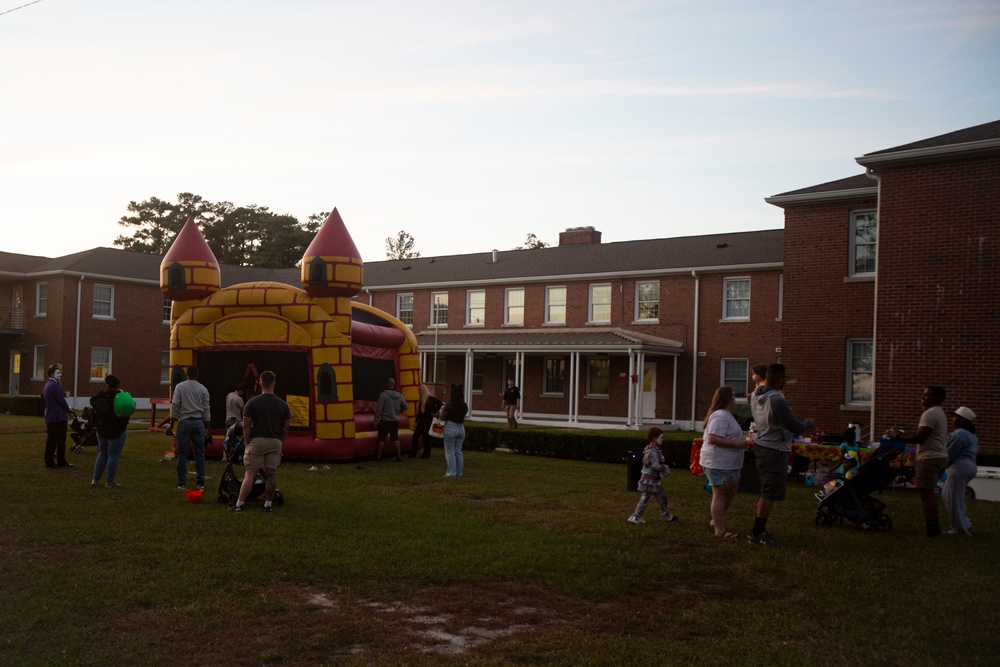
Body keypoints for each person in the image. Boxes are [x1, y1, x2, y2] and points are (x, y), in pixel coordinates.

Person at [748, 363, 814, 546]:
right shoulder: (777, 400)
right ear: (778, 379)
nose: (785, 382)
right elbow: (795, 427)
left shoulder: (755, 396)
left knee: (767, 490)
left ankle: (758, 529)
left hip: (762, 445)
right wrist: (808, 423)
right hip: (774, 449)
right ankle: (757, 532)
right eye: (784, 379)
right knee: (769, 492)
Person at [887, 386, 949, 537]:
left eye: (926, 395)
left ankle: (932, 531)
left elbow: (920, 437)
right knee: (929, 493)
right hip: (939, 456)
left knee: (926, 494)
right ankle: (934, 529)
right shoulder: (939, 413)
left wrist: (897, 437)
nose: (922, 397)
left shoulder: (930, 414)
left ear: (936, 399)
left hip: (929, 458)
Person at [230, 370, 291, 513]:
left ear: (261, 383)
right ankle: (268, 505)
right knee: (271, 475)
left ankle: (239, 504)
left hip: (257, 441)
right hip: (275, 441)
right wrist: (280, 441)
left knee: (250, 474)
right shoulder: (283, 405)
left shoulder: (252, 402)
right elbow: (286, 427)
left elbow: (245, 426)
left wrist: (248, 442)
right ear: (274, 384)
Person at [700, 387, 748, 538]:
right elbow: (712, 438)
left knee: (731, 491)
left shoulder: (727, 415)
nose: (735, 398)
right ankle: (719, 530)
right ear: (728, 398)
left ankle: (716, 519)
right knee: (720, 494)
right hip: (717, 462)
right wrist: (736, 444)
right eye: (733, 395)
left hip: (730, 462)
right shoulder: (719, 416)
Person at [171, 365, 211, 491]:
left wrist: (171, 423)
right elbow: (206, 410)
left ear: (186, 374)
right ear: (197, 374)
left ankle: (181, 483)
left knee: (182, 453)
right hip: (199, 422)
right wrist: (208, 428)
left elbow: (175, 405)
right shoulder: (203, 389)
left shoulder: (180, 387)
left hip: (184, 421)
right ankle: (200, 482)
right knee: (200, 453)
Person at [627, 427, 678, 524]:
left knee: (662, 496)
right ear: (654, 438)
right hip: (650, 480)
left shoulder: (649, 449)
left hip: (652, 479)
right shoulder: (653, 452)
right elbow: (656, 466)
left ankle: (665, 515)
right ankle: (636, 516)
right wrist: (663, 467)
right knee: (646, 498)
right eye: (661, 438)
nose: (662, 440)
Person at [943, 406, 979, 537]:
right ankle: (962, 523)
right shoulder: (971, 435)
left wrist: (942, 465)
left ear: (961, 420)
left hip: (959, 466)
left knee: (954, 498)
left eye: (955, 417)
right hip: (970, 465)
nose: (953, 419)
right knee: (948, 495)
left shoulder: (959, 434)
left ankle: (960, 528)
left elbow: (950, 452)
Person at [90, 374, 130, 488]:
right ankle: (110, 482)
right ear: (117, 385)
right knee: (114, 455)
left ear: (107, 384)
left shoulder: (101, 396)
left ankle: (95, 480)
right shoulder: (120, 396)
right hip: (117, 429)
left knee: (102, 454)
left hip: (102, 429)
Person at [42, 363, 73, 468]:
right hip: (58, 417)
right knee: (59, 440)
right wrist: (68, 409)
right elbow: (60, 400)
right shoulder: (55, 385)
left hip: (51, 416)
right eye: (58, 373)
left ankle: (50, 460)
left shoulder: (48, 384)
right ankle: (59, 461)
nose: (60, 375)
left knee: (51, 440)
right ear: (52, 374)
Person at [374, 378, 409, 462]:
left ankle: (378, 457)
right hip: (395, 420)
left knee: (381, 439)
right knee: (395, 439)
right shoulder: (399, 395)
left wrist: (376, 420)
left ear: (387, 384)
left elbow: (379, 409)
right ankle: (399, 456)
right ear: (394, 385)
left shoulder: (383, 395)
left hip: (385, 420)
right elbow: (406, 407)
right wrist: (399, 410)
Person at [442, 384, 469, 477]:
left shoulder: (449, 405)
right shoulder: (464, 406)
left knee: (450, 451)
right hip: (461, 427)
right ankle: (459, 472)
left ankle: (451, 473)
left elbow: (442, 417)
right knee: (458, 451)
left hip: (450, 427)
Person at [411, 384, 443, 459]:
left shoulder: (430, 398)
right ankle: (416, 453)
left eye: (420, 390)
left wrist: (433, 411)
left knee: (425, 438)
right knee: (417, 437)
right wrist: (416, 422)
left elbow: (440, 403)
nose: (418, 391)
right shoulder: (422, 400)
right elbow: (420, 414)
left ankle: (424, 454)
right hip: (423, 420)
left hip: (428, 420)